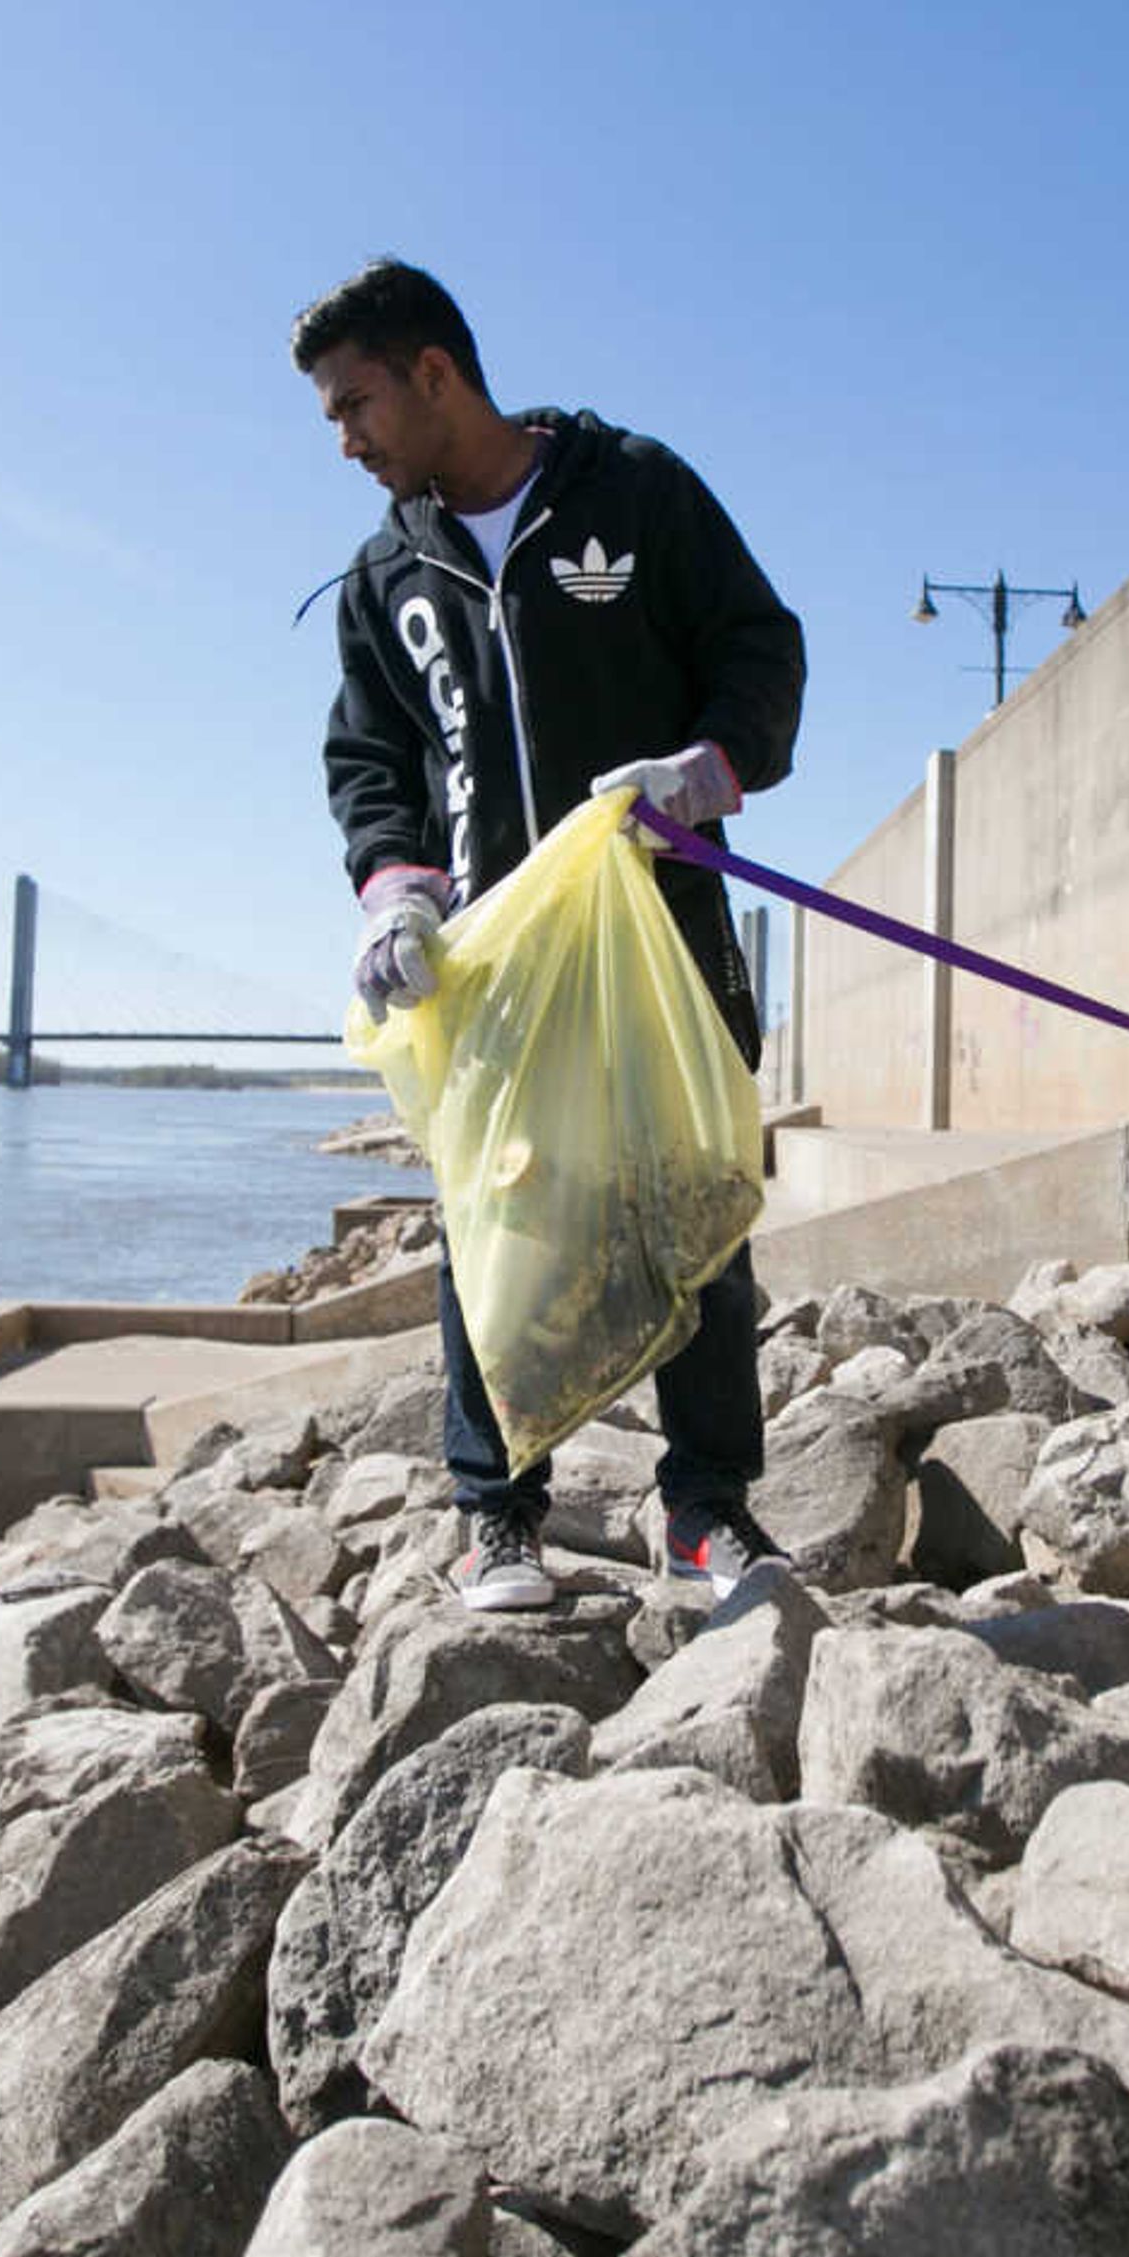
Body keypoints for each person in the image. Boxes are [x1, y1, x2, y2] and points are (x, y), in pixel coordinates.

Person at [297, 258, 808, 1613]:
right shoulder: (384, 576)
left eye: (354, 404)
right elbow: (370, 763)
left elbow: (760, 646)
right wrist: (394, 890)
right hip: (496, 975)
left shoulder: (633, 490)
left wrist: (712, 764)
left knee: (692, 1212)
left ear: (433, 372)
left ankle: (705, 1512)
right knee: (489, 1219)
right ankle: (499, 1517)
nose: (342, 439)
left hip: (659, 935)